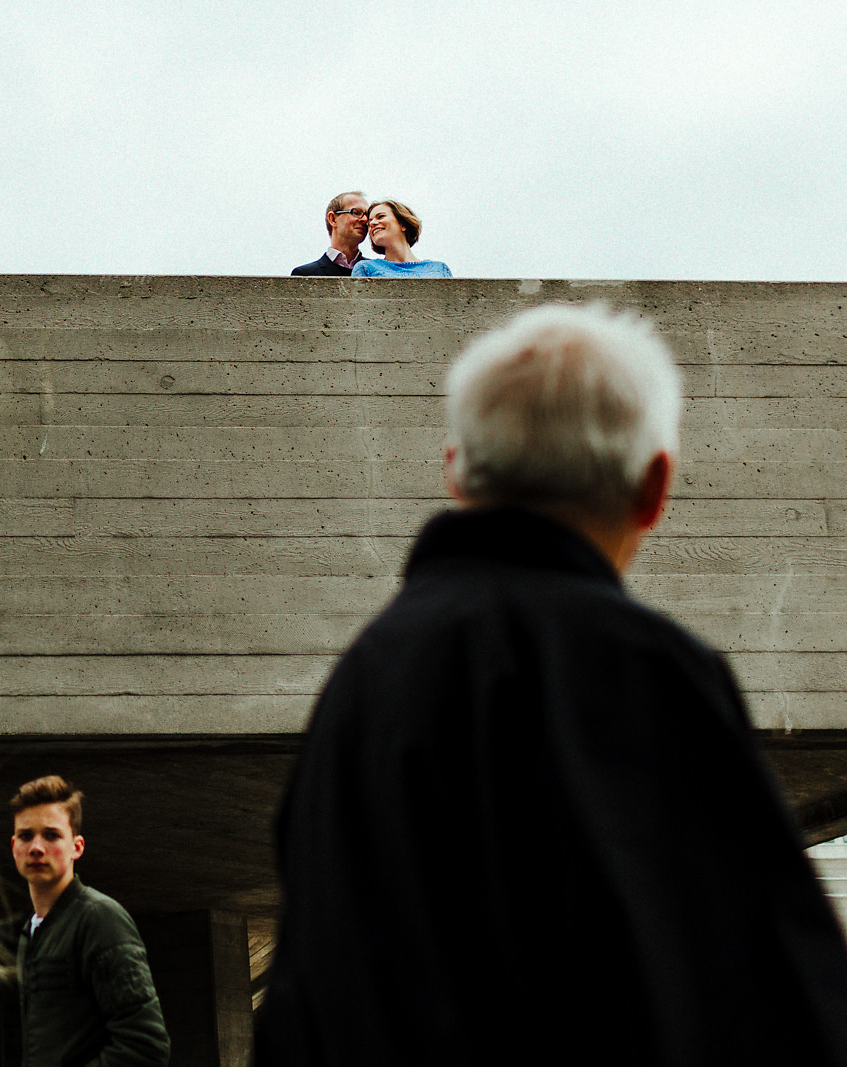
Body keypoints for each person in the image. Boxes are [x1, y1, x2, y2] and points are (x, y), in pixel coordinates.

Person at [253, 304, 847, 1066]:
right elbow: (764, 988)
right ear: (655, 486)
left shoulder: (363, 680)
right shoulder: (638, 669)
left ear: (455, 470)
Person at [11, 775, 169, 1067]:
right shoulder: (30, 933)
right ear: (13, 846)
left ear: (77, 847)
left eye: (51, 835)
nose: (36, 847)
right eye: (25, 835)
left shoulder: (99, 920)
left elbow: (146, 1046)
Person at [350, 199, 451, 277]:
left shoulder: (439, 269)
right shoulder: (365, 269)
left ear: (403, 224)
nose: (372, 223)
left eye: (380, 217)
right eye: (369, 223)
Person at [291, 191, 372, 277]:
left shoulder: (376, 272)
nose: (365, 219)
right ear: (333, 219)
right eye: (356, 212)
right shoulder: (305, 274)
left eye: (367, 215)